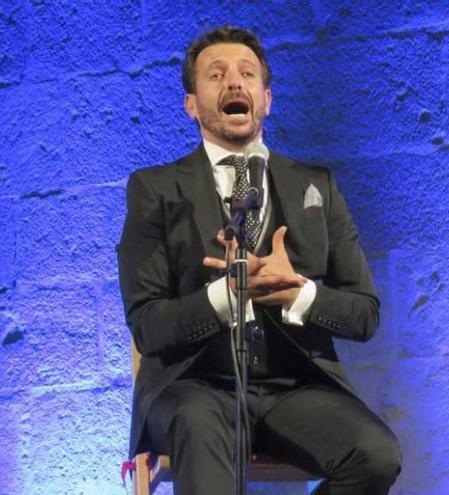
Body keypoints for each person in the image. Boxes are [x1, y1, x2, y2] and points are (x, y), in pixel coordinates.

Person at [117, 26, 401, 495]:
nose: (234, 83)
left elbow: (364, 315)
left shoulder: (317, 187)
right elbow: (147, 324)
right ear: (191, 104)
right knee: (199, 423)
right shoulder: (154, 190)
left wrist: (299, 292)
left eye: (247, 74)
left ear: (265, 99)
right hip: (194, 386)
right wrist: (225, 296)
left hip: (293, 388)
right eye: (216, 75)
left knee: (374, 454)